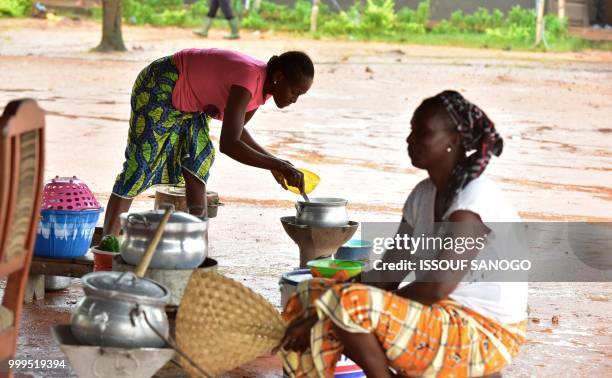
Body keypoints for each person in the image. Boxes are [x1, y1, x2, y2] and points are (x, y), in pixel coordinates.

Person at [274, 90, 528, 377]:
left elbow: (437, 287)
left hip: (485, 331)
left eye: (422, 133)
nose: (410, 140)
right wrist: (323, 304)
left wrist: (336, 305)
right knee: (309, 296)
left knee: (347, 305)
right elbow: (389, 274)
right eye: (411, 131)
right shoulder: (423, 196)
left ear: (453, 141)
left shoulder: (473, 200)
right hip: (441, 317)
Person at [103, 49, 314, 235]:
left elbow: (238, 132)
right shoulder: (249, 79)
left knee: (198, 159)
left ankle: (196, 243)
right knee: (140, 164)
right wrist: (278, 165)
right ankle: (107, 244)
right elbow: (229, 144)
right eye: (294, 92)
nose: (294, 99)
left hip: (190, 105)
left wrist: (275, 164)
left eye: (300, 95)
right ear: (278, 77)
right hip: (161, 83)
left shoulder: (265, 88)